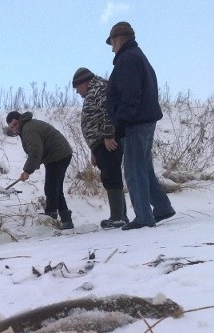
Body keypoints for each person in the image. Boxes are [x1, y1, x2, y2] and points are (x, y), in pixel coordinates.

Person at [105, 22, 175, 229]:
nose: (111, 48)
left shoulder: (127, 59)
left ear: (119, 39)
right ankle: (162, 207)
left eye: (112, 43)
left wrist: (120, 123)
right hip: (142, 120)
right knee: (143, 168)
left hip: (135, 122)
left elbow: (130, 95)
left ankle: (144, 217)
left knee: (134, 171)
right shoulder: (138, 56)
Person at [72, 67, 128, 229]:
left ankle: (118, 217)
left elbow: (108, 111)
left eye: (77, 88)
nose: (77, 92)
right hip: (100, 143)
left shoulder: (99, 88)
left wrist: (109, 136)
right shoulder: (93, 91)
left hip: (107, 140)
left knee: (112, 175)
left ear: (85, 82)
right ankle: (120, 216)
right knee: (109, 176)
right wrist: (94, 150)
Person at [5, 111, 74, 230]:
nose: (15, 128)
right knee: (55, 188)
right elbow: (37, 150)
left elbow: (36, 151)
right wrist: (29, 169)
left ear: (20, 119)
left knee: (51, 188)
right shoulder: (26, 127)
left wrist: (27, 170)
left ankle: (50, 219)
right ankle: (66, 220)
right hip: (57, 155)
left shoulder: (28, 129)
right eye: (12, 127)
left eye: (15, 124)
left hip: (58, 155)